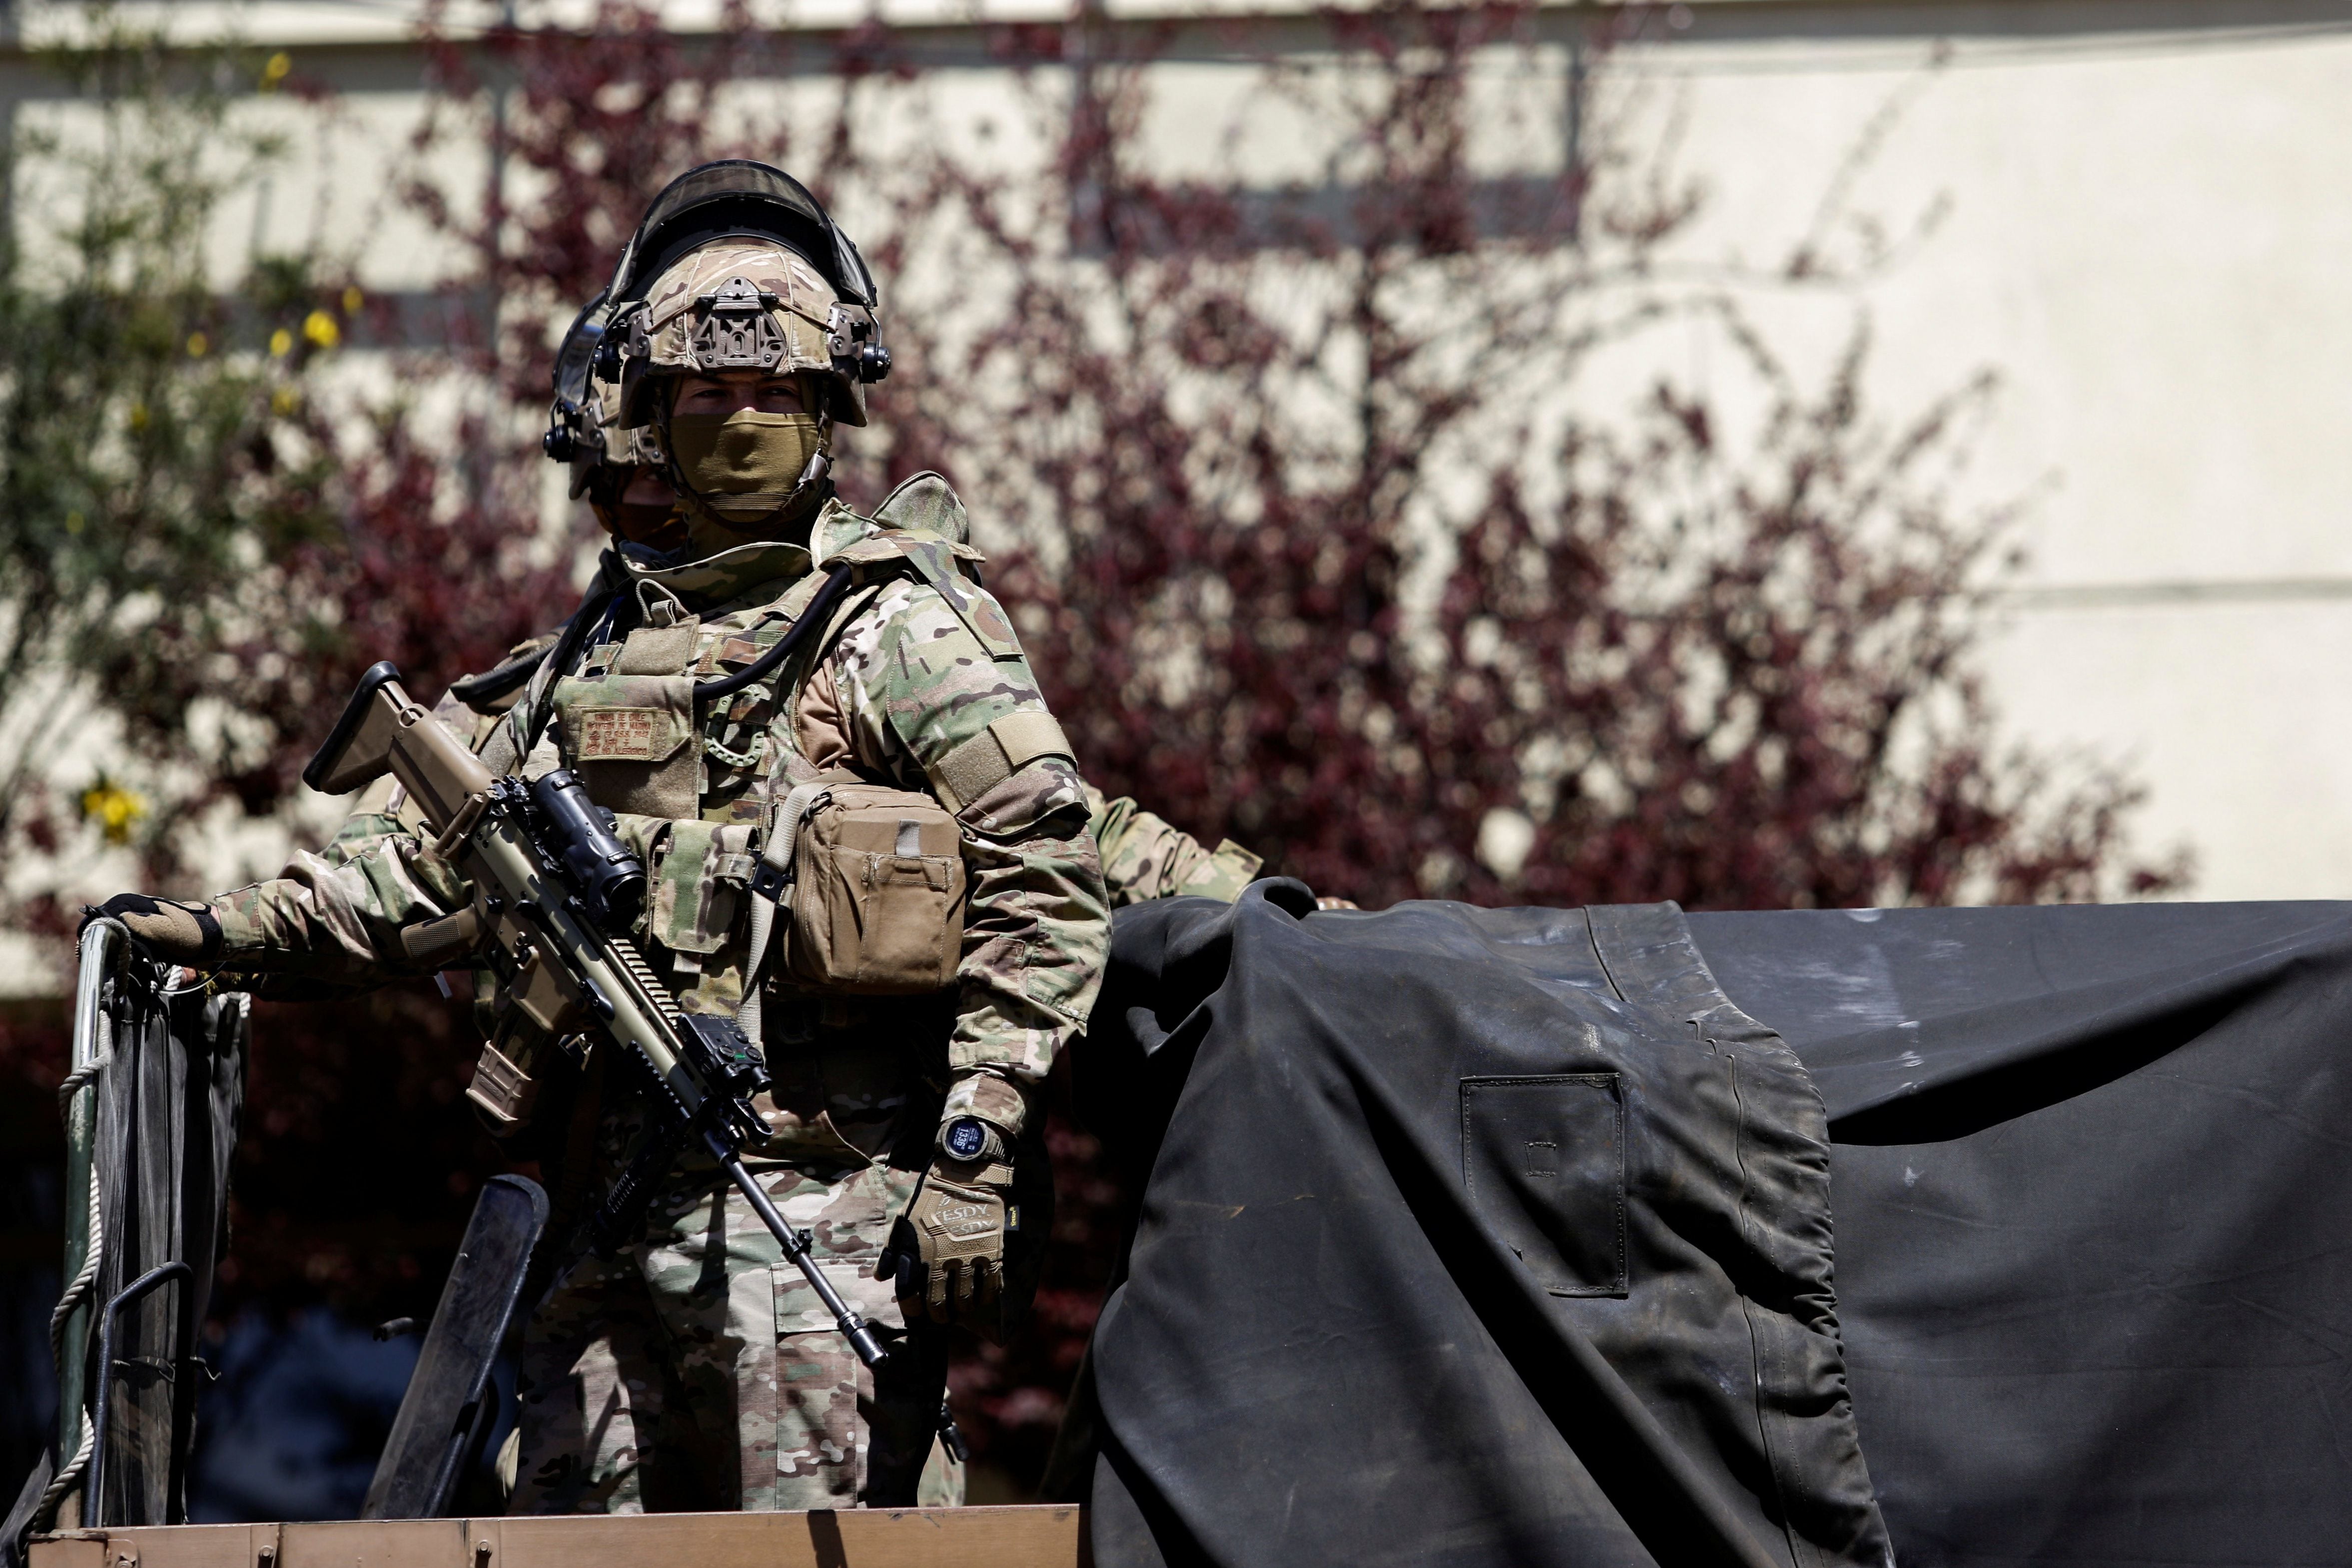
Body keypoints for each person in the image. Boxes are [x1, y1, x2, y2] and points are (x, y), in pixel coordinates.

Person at [94, 162, 1121, 1515]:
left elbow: (1047, 878)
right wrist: (219, 933)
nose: (739, 416)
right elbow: (413, 872)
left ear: (830, 404)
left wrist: (975, 1147)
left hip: (818, 1229)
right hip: (611, 1226)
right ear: (650, 412)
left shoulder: (896, 631)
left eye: (773, 390)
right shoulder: (590, 655)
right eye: (705, 392)